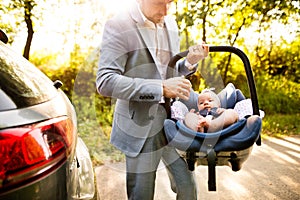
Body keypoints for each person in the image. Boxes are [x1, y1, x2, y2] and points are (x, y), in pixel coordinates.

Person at [96, 0, 209, 199]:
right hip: (140, 125)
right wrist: (160, 88)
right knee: (142, 193)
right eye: (159, 3)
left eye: (170, 2)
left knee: (188, 188)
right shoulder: (119, 25)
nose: (165, 11)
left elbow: (170, 69)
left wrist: (190, 62)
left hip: (174, 121)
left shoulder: (171, 23)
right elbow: (106, 81)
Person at [171, 89, 239, 132]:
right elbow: (190, 117)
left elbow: (227, 115)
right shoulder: (198, 114)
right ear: (198, 107)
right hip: (201, 124)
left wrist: (224, 111)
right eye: (201, 103)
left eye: (210, 100)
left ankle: (211, 125)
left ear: (218, 105)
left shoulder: (220, 110)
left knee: (232, 112)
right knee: (189, 116)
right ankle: (198, 129)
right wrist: (190, 114)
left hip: (219, 125)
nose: (205, 103)